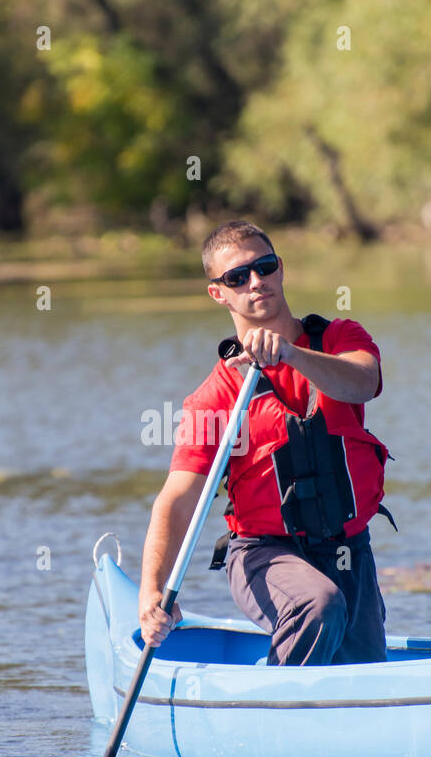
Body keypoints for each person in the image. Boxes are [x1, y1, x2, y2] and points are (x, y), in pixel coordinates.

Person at [138, 220, 393, 666]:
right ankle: (275, 703)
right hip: (264, 555)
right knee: (317, 603)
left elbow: (362, 382)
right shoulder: (214, 397)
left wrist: (291, 353)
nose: (256, 281)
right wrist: (151, 591)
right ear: (218, 292)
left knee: (365, 670)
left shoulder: (340, 340)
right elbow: (178, 499)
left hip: (349, 552)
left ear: (281, 270)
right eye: (237, 277)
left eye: (265, 267)